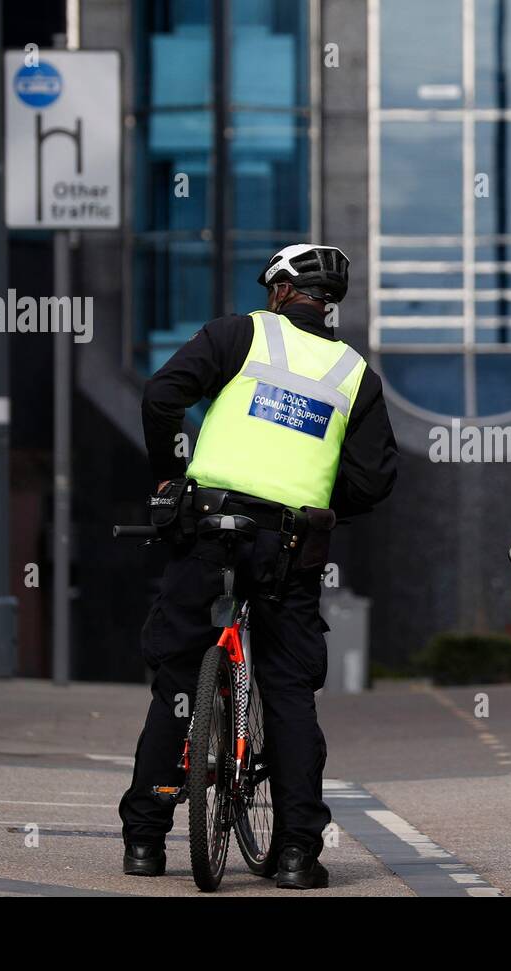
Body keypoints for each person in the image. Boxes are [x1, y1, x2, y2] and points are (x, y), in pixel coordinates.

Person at [118, 243, 397, 889]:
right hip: (292, 542)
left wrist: (168, 477)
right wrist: (323, 506)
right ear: (331, 304)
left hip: (209, 526)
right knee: (291, 692)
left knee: (180, 677)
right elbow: (374, 480)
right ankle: (298, 853)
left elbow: (162, 396)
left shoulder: (238, 333)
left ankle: (145, 840)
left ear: (279, 291)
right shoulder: (356, 374)